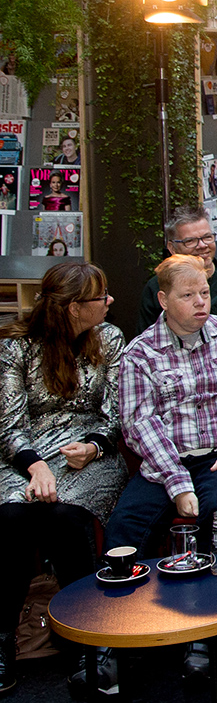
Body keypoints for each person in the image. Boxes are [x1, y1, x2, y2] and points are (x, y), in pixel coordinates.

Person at [105, 254, 217, 685]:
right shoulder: (139, 354)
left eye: (205, 293)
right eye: (188, 295)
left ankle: (204, 625)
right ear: (163, 299)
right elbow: (139, 425)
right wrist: (176, 481)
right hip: (164, 460)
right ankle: (115, 633)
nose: (201, 302)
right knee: (127, 524)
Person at [0, 262, 126, 698]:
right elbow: (9, 424)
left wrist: (92, 446)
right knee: (13, 518)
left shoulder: (109, 339)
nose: (110, 302)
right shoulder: (16, 347)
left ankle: (85, 642)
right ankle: (2, 642)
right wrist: (34, 465)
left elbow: (117, 414)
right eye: (101, 297)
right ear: (74, 308)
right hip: (27, 453)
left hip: (90, 453)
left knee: (64, 518)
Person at [137, 207, 217, 338]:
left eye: (207, 237)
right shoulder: (158, 286)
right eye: (190, 241)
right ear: (172, 248)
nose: (202, 245)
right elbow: (147, 337)